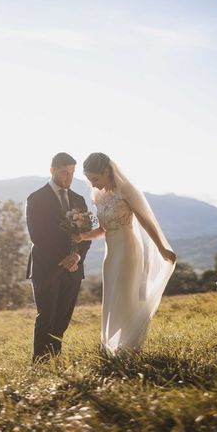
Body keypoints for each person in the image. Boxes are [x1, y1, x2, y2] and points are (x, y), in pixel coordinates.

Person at [73, 152, 176, 355]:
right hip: (110, 254)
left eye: (95, 179)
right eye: (89, 180)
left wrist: (161, 248)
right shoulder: (98, 196)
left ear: (106, 172)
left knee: (125, 295)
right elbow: (104, 229)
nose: (93, 185)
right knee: (112, 296)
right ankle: (111, 345)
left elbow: (146, 221)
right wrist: (82, 236)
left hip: (128, 250)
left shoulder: (126, 191)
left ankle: (129, 346)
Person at [26, 152, 92, 362]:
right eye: (65, 172)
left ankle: (55, 360)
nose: (69, 177)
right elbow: (37, 235)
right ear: (52, 171)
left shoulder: (78, 199)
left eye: (72, 172)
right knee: (46, 317)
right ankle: (39, 363)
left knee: (63, 319)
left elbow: (87, 234)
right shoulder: (36, 198)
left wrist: (76, 257)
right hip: (46, 267)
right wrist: (64, 258)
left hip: (74, 268)